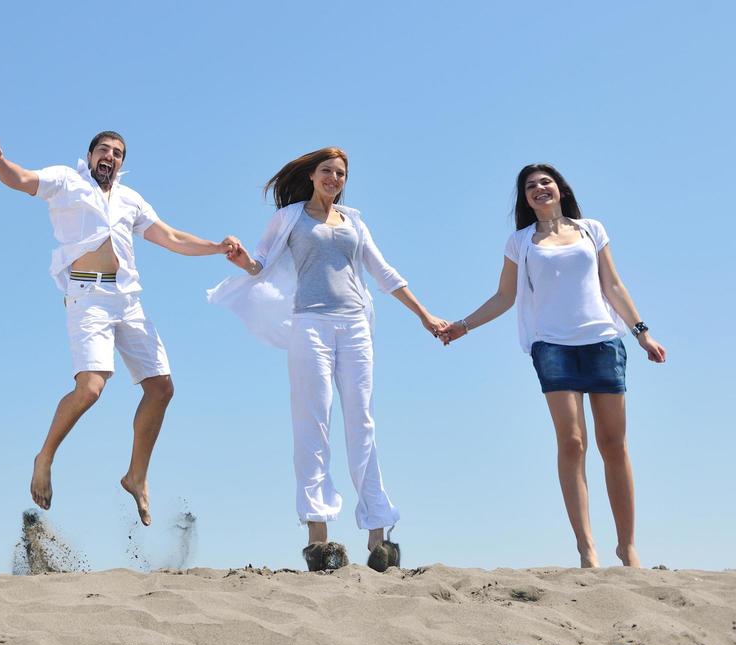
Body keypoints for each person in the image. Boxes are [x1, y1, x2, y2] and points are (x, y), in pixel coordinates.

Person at [0, 131, 239, 526]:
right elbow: (21, 179)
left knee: (161, 387)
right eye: (103, 150)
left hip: (128, 298)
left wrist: (217, 247)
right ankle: (45, 456)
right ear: (89, 155)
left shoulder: (130, 198)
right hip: (87, 296)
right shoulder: (67, 181)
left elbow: (169, 237)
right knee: (90, 388)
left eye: (118, 153)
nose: (110, 156)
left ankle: (136, 476)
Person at [211, 147, 446, 572]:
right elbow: (259, 264)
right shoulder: (290, 218)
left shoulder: (354, 221)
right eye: (327, 171)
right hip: (311, 326)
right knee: (312, 422)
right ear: (312, 176)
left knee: (363, 422)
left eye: (340, 173)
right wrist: (239, 256)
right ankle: (318, 538)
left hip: (355, 326)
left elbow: (384, 272)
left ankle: (380, 536)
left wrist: (425, 315)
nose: (334, 178)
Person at [437, 164, 666, 568]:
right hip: (553, 348)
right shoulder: (520, 241)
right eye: (530, 186)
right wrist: (463, 326)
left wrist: (642, 333)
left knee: (614, 445)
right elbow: (504, 297)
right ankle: (587, 548)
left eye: (545, 182)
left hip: (602, 343)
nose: (539, 189)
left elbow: (613, 285)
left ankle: (627, 546)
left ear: (560, 189)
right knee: (573, 443)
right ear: (525, 199)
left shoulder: (591, 230)